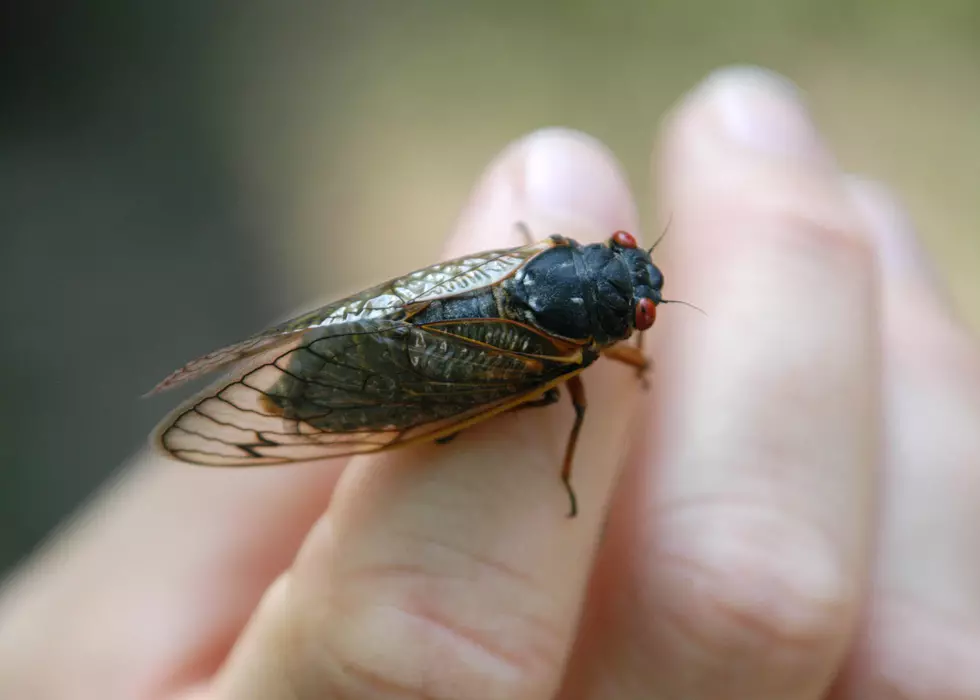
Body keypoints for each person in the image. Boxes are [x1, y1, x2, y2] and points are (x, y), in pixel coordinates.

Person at [1, 66, 977, 700]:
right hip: (424, 355)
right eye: (632, 282)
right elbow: (571, 386)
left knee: (434, 354)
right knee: (497, 385)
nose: (638, 287)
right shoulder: (576, 360)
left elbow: (546, 287)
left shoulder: (562, 298)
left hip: (458, 309)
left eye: (637, 308)